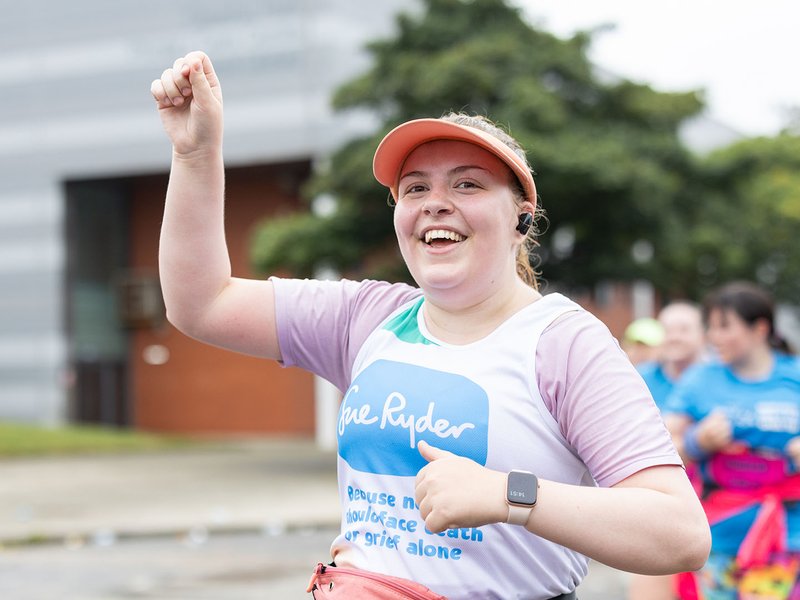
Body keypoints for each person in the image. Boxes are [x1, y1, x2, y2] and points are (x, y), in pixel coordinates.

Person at [150, 51, 710, 600]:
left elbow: (679, 534)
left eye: (467, 184)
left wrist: (509, 496)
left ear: (521, 218)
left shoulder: (563, 343)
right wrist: (197, 153)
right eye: (416, 188)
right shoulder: (367, 316)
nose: (436, 203)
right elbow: (200, 303)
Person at [663, 282, 800, 599]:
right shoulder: (700, 380)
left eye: (724, 326)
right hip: (718, 537)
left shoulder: (794, 375)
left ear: (760, 328)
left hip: (785, 538)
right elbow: (658, 449)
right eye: (711, 327)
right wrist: (697, 442)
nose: (714, 337)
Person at [628, 302, 707, 600]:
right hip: (655, 503)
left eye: (684, 330)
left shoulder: (718, 377)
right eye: (668, 330)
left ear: (702, 335)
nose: (674, 337)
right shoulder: (640, 377)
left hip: (714, 504)